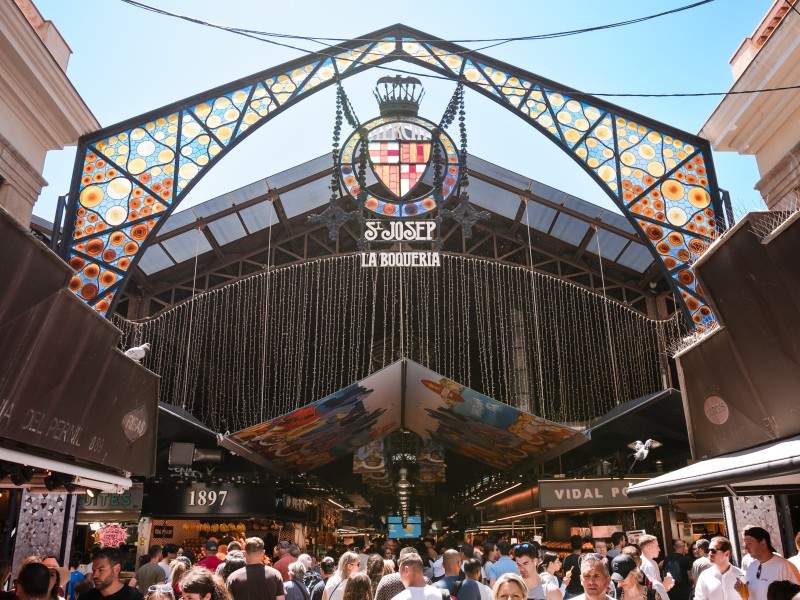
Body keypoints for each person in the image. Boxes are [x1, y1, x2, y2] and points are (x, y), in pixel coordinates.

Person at [735, 527, 800, 600]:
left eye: (749, 543)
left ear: (763, 542)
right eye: (745, 544)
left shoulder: (784, 566)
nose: (746, 547)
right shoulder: (751, 567)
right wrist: (743, 596)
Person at [79, 548, 144, 600]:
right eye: (93, 570)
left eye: (101, 570)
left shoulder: (134, 597)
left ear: (116, 569)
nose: (95, 576)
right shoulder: (86, 597)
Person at [638, 535, 673, 600]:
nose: (659, 549)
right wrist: (665, 585)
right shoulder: (646, 564)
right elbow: (651, 589)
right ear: (648, 548)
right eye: (657, 546)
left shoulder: (653, 563)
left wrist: (666, 585)